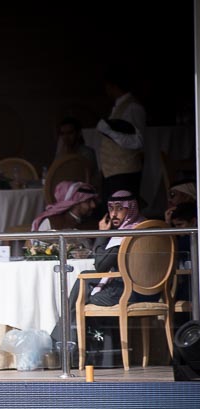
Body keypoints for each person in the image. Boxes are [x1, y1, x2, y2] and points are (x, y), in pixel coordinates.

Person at [52, 190, 154, 358]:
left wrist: (102, 234)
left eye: (120, 209)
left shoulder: (127, 235)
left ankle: (66, 346)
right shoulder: (148, 227)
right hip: (150, 292)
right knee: (85, 280)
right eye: (111, 208)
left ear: (131, 209)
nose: (113, 214)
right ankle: (67, 342)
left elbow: (100, 265)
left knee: (82, 297)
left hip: (129, 293)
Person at [96, 117, 143, 201]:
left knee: (124, 202)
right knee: (110, 202)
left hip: (125, 170)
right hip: (110, 172)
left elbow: (138, 141)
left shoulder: (133, 110)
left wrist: (109, 132)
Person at [30, 181, 99, 231]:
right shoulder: (50, 223)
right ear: (74, 203)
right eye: (88, 201)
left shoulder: (94, 224)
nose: (93, 205)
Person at [54, 116, 98, 185]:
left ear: (78, 133)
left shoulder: (87, 153)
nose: (66, 137)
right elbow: (55, 174)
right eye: (63, 134)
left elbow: (80, 176)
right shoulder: (60, 154)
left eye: (70, 133)